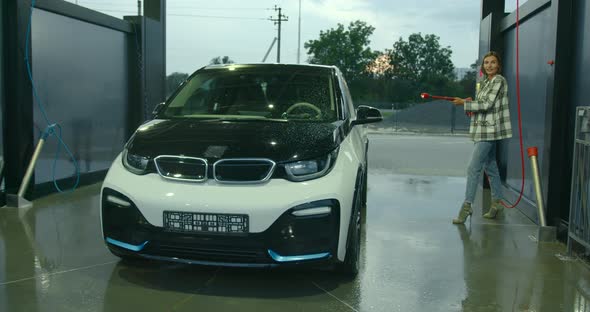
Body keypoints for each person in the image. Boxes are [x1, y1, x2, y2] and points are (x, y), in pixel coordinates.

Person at [451, 51, 512, 224]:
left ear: (498, 65)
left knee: (473, 168)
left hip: (490, 132)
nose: (489, 65)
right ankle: (497, 203)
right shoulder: (485, 82)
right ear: (483, 66)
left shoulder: (499, 80)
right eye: (486, 63)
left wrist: (464, 103)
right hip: (481, 130)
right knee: (490, 167)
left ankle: (467, 206)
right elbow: (481, 106)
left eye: (493, 62)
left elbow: (487, 105)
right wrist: (468, 103)